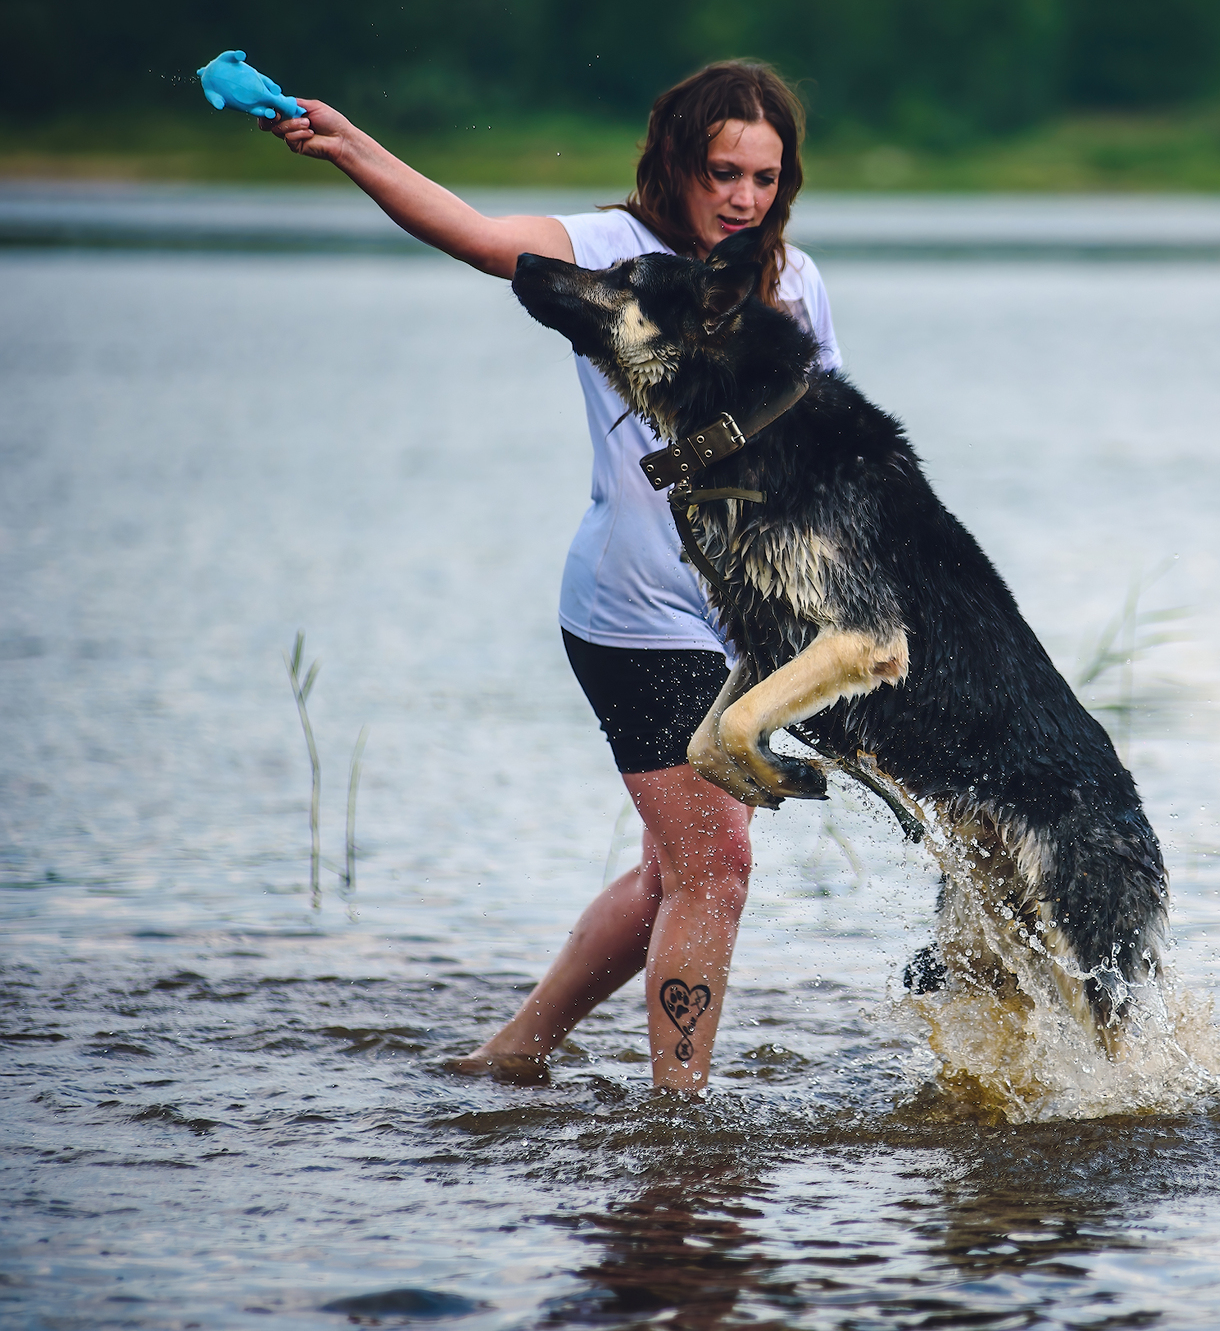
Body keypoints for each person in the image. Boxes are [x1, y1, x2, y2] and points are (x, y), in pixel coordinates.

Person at [263, 61, 839, 1091]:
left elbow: (818, 449)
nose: (742, 197)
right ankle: (680, 1118)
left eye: (763, 176)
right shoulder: (614, 252)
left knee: (677, 867)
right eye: (722, 173)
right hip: (634, 615)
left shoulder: (793, 283)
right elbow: (475, 236)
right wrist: (348, 145)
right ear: (676, 163)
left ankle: (512, 1054)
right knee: (719, 867)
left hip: (743, 628)